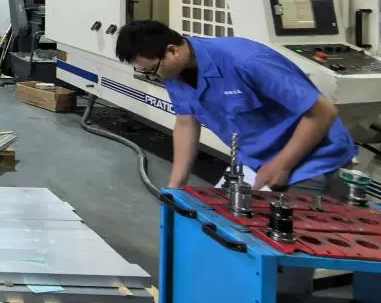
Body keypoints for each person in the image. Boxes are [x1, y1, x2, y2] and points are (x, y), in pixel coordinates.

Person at [114, 20, 356, 192]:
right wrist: (176, 186)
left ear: (172, 51)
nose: (155, 76)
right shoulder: (173, 73)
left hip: (312, 160)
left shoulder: (246, 61)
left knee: (285, 239)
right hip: (256, 162)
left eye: (152, 70)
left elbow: (323, 112)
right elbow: (186, 123)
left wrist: (282, 165)